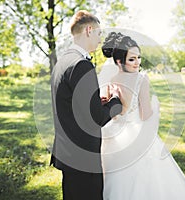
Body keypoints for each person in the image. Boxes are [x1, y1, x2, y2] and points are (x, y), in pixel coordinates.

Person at [100, 32, 185, 199]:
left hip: (115, 136)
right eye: (132, 59)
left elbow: (113, 112)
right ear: (119, 61)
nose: (137, 62)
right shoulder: (141, 79)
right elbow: (145, 115)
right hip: (137, 134)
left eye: (138, 57)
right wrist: (155, 107)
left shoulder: (111, 80)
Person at [50, 11, 122, 200]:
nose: (100, 40)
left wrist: (96, 102)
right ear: (89, 30)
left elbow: (72, 104)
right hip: (83, 155)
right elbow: (98, 117)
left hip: (68, 152)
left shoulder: (62, 61)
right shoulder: (82, 65)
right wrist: (115, 101)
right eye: (98, 33)